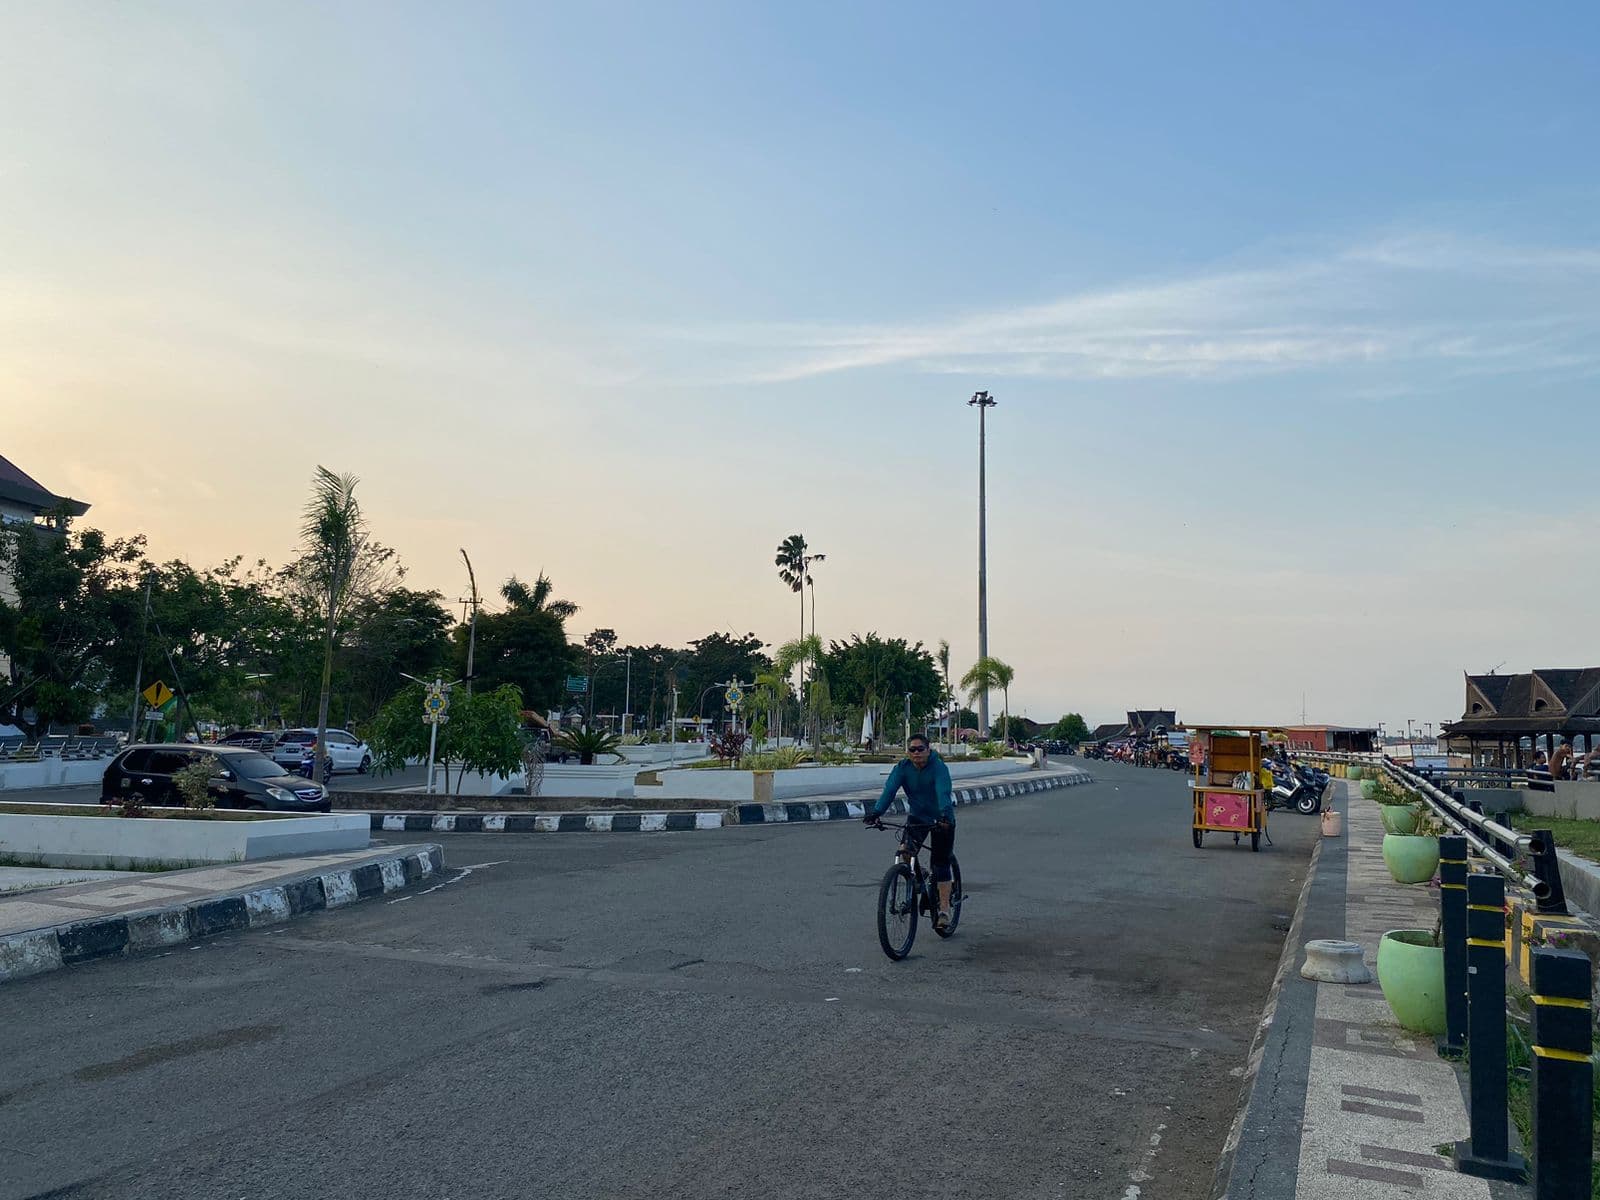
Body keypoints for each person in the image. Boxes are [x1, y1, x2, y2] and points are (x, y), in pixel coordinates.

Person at [864, 733, 957, 931]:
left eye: (920, 749)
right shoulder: (902, 768)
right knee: (905, 850)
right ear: (907, 752)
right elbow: (889, 790)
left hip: (942, 819)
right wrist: (877, 812)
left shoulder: (938, 767)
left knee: (940, 864)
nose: (916, 753)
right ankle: (918, 875)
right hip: (918, 817)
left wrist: (945, 817)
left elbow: (943, 793)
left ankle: (944, 911)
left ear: (928, 749)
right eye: (912, 750)